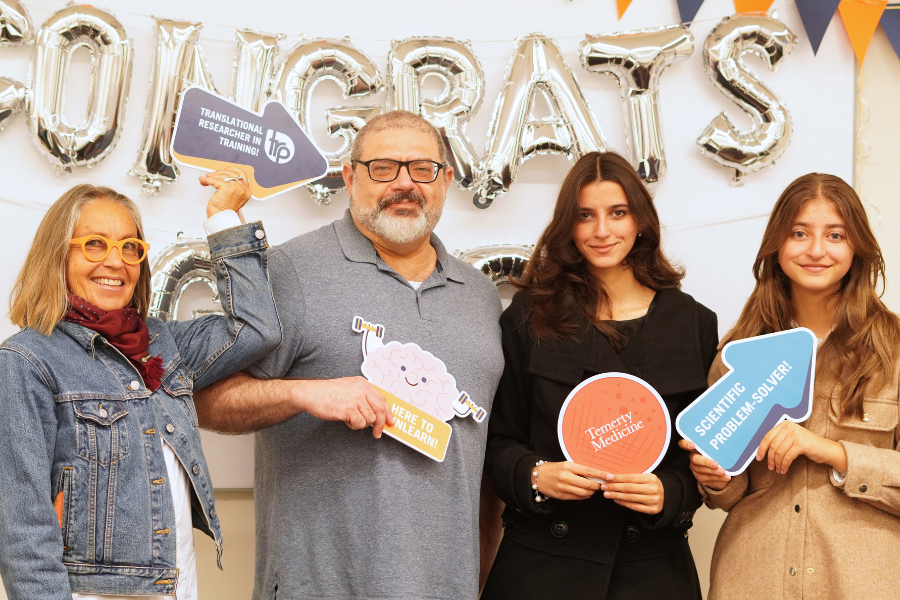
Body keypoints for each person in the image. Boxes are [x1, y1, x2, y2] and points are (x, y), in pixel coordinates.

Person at [192, 111, 504, 600]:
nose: (404, 184)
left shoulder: (481, 296)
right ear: (349, 177)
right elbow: (206, 401)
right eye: (383, 168)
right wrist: (304, 393)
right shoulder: (288, 272)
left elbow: (485, 462)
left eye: (422, 169)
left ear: (445, 180)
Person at [0, 169, 281, 600]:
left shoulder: (164, 343)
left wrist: (225, 218)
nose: (115, 261)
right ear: (59, 255)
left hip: (177, 588)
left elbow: (256, 328)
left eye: (130, 247)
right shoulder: (27, 360)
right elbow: (22, 525)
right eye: (94, 243)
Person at [481, 151, 718, 600]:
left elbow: (703, 453)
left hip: (652, 572)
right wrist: (536, 475)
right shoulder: (530, 316)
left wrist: (670, 492)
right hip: (542, 569)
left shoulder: (692, 322)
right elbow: (495, 440)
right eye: (585, 215)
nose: (602, 231)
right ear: (568, 226)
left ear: (641, 221)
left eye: (618, 213)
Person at [680, 173, 900, 600]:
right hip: (752, 580)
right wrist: (715, 476)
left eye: (835, 234)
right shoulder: (738, 352)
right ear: (777, 246)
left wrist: (830, 451)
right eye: (799, 233)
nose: (816, 250)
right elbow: (725, 496)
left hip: (863, 585)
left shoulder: (894, 350)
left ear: (857, 247)